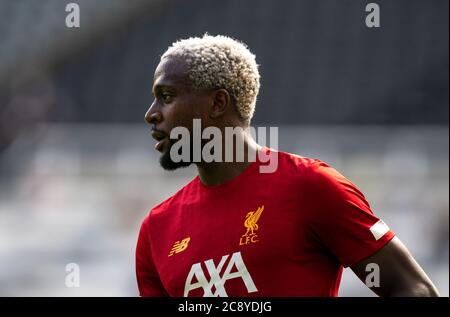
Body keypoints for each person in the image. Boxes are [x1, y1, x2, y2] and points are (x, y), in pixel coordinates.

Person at [136, 34, 439, 297]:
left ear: (217, 103)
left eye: (166, 97)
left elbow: (414, 289)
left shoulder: (310, 187)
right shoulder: (156, 229)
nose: (151, 114)